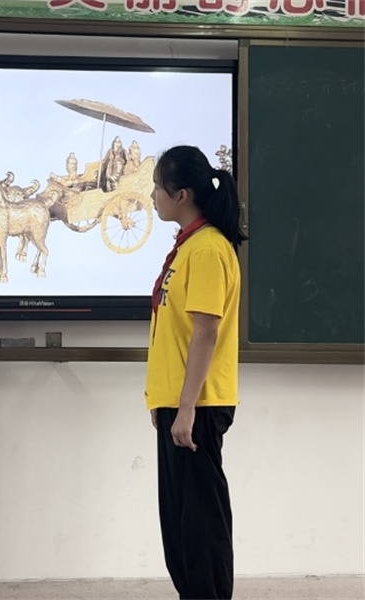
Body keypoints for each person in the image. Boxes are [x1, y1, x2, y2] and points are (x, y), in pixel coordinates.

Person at [145, 145, 247, 600]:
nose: (152, 196)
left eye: (157, 187)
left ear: (181, 194)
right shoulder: (189, 246)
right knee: (180, 525)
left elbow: (206, 332)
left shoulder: (207, 249)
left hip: (198, 406)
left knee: (200, 525)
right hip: (179, 403)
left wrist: (185, 408)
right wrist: (164, 401)